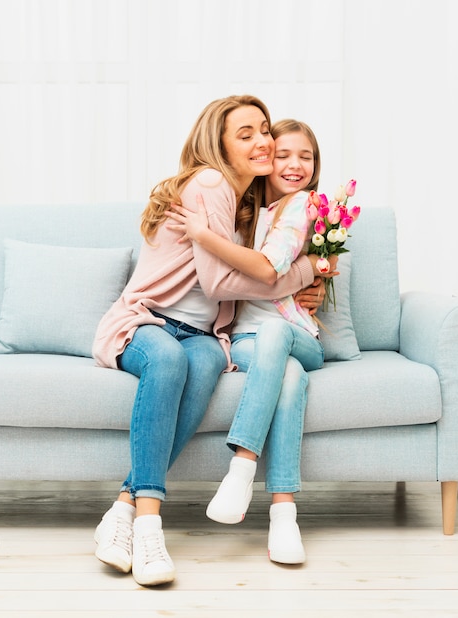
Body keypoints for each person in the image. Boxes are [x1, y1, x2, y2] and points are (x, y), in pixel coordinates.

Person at [91, 98, 332, 586]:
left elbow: (241, 278)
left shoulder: (247, 204)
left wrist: (310, 277)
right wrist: (307, 270)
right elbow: (222, 283)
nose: (262, 141)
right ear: (217, 143)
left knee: (200, 364)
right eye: (245, 134)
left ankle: (121, 507)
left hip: (203, 335)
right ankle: (148, 524)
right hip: (148, 323)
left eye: (263, 130)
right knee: (168, 363)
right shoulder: (210, 183)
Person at [166, 119, 330, 565]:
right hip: (244, 342)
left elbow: (267, 268)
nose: (295, 165)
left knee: (278, 334)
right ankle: (283, 516)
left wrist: (204, 235)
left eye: (306, 157)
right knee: (289, 380)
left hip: (297, 336)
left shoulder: (302, 205)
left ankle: (241, 466)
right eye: (284, 155)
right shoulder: (242, 207)